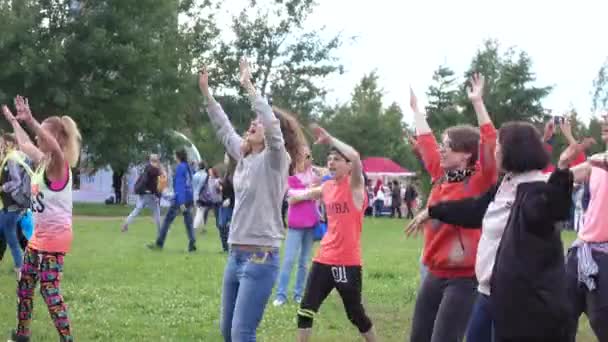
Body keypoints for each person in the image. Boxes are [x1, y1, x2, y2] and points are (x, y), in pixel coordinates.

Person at [407, 121, 580, 342]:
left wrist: (563, 168)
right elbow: (475, 209)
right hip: (488, 291)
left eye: (499, 145)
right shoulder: (505, 183)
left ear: (515, 149)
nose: (494, 150)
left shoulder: (535, 187)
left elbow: (555, 209)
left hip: (519, 298)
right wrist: (433, 211)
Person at [200, 57, 307, 341]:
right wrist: (207, 93)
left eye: (258, 122)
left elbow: (272, 126)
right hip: (235, 256)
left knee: (241, 332)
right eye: (253, 121)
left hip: (261, 257)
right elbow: (223, 128)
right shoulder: (245, 156)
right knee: (227, 331)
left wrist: (248, 85)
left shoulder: (276, 160)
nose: (254, 124)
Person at [407, 73, 498, 342]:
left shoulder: (480, 180)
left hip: (464, 278)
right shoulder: (441, 174)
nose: (441, 151)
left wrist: (477, 102)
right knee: (419, 337)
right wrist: (416, 110)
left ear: (466, 153)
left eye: (447, 147)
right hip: (433, 273)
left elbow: (490, 143)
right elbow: (425, 140)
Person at [3, 95, 81, 342]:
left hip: (55, 239)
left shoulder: (59, 164)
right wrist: (15, 122)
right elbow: (25, 145)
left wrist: (31, 120)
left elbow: (51, 145)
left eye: (43, 134)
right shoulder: (42, 163)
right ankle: (23, 334)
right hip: (38, 237)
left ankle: (67, 338)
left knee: (48, 290)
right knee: (25, 285)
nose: (37, 137)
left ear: (56, 138)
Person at [292, 125, 377, 342]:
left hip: (347, 263)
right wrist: (296, 196)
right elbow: (314, 192)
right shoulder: (328, 187)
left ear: (349, 166)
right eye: (330, 159)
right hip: (323, 259)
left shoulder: (356, 187)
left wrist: (330, 139)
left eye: (337, 159)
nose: (331, 162)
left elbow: (356, 157)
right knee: (305, 310)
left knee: (355, 313)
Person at [563, 114, 608, 342]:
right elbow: (560, 180)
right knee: (560, 320)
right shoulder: (596, 163)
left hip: (605, 258)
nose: (605, 118)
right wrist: (562, 163)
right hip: (581, 253)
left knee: (603, 322)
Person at [273, 145, 320, 307]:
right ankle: (281, 294)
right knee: (289, 260)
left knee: (304, 261)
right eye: (305, 157)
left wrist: (307, 193)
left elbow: (318, 195)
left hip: (311, 223)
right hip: (295, 224)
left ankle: (299, 293)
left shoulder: (315, 178)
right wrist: (308, 192)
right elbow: (291, 200)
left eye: (309, 157)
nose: (308, 160)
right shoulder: (292, 178)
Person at [148, 149, 195, 252]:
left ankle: (159, 243)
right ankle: (192, 243)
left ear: (178, 156)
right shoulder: (188, 167)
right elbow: (190, 183)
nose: (174, 157)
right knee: (188, 222)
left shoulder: (180, 168)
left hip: (180, 199)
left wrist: (181, 201)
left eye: (175, 155)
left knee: (167, 221)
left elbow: (180, 185)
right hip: (189, 197)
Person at [0, 133, 31, 277]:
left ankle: (21, 267)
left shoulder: (12, 158)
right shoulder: (17, 157)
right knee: (14, 236)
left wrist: (3, 188)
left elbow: (16, 181)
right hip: (12, 206)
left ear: (11, 143)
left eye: (3, 143)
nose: (2, 146)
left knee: (12, 239)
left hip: (11, 206)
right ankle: (27, 264)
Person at [122, 154, 163, 233]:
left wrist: (142, 190)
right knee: (157, 212)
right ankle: (160, 231)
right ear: (156, 160)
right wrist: (158, 194)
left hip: (144, 193)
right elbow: (156, 184)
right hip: (151, 194)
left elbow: (143, 180)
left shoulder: (147, 168)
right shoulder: (155, 170)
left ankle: (126, 224)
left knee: (137, 210)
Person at [217, 154, 236, 253]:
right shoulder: (227, 173)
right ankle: (226, 247)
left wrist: (230, 199)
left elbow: (236, 189)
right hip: (224, 203)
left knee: (228, 226)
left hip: (230, 204)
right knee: (222, 225)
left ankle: (230, 247)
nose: (224, 159)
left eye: (226, 157)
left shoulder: (234, 172)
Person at [192, 161, 208, 232]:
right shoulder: (205, 175)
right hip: (202, 196)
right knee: (200, 212)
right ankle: (194, 227)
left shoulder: (195, 175)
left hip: (195, 195)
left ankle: (203, 228)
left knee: (200, 211)